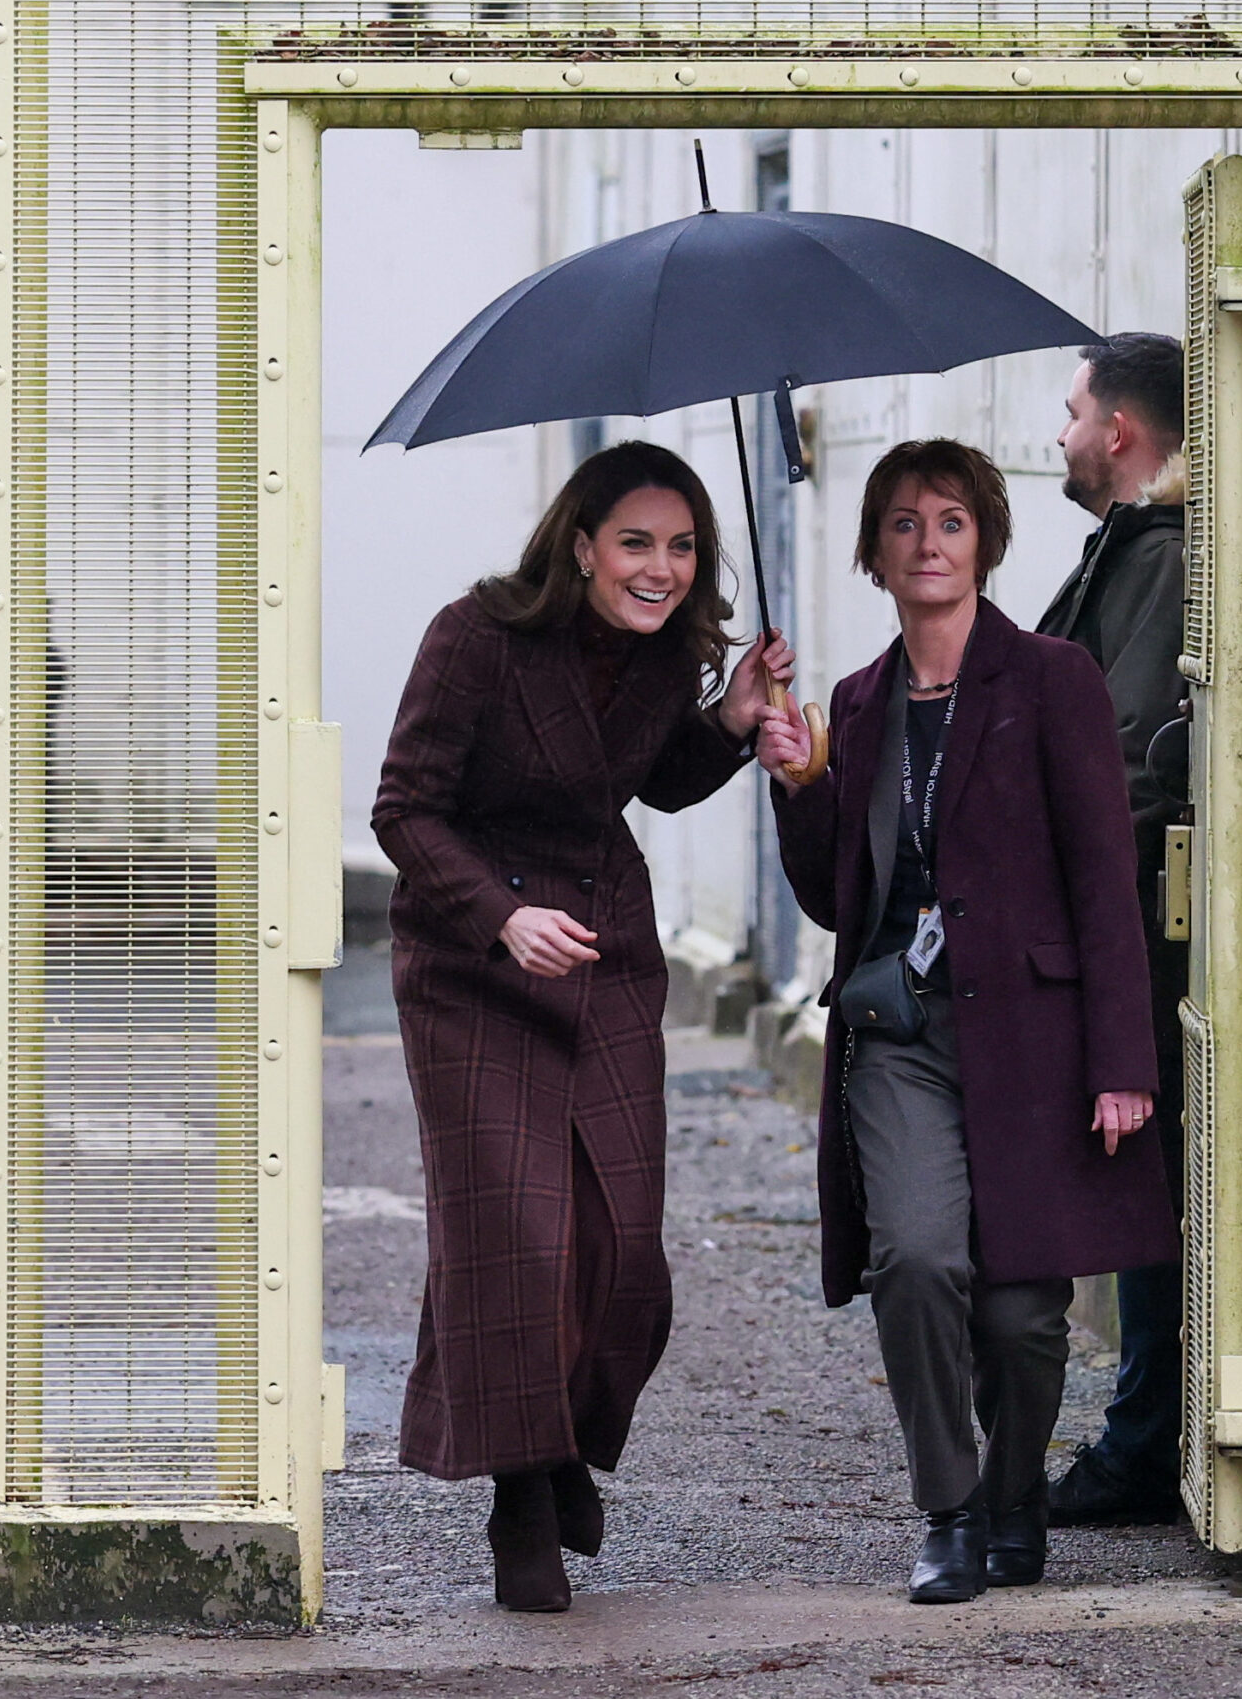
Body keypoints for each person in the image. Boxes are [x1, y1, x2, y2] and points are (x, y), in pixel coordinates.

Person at [758, 438, 1175, 1604]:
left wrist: (1120, 1060)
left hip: (1034, 1038)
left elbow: (1104, 879)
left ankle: (1012, 1493)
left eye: (948, 520)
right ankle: (945, 1509)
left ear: (983, 540)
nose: (927, 542)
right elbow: (836, 898)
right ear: (874, 554)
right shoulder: (856, 702)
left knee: (1021, 1311)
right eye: (902, 523)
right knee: (919, 1260)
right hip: (901, 1034)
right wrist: (802, 788)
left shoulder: (1052, 681)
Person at [373, 440, 778, 1612]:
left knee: (621, 1250)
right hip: (471, 965)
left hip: (603, 954)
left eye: (683, 546)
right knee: (521, 1242)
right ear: (583, 544)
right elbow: (403, 807)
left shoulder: (667, 654)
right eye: (637, 542)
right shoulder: (477, 635)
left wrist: (735, 716)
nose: (661, 567)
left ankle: (562, 1442)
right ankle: (523, 1497)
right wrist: (502, 920)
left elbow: (650, 782)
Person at [1035, 333, 1192, 1527]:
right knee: (1144, 1180)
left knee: (1152, 1181)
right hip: (1124, 920)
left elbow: (1129, 761)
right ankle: (1148, 1430)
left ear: (1120, 433)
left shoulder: (1165, 557)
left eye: (1073, 409)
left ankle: (1146, 1442)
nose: (1061, 431)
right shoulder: (1135, 553)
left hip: (1142, 928)